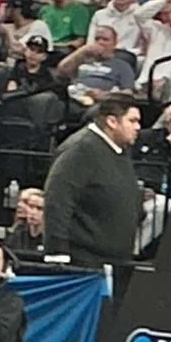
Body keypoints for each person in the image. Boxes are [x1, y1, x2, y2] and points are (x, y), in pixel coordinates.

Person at [42, 93, 144, 273]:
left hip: (113, 260)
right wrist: (57, 253)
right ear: (112, 121)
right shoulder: (81, 149)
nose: (138, 127)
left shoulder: (118, 150)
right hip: (84, 262)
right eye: (132, 121)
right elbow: (58, 199)